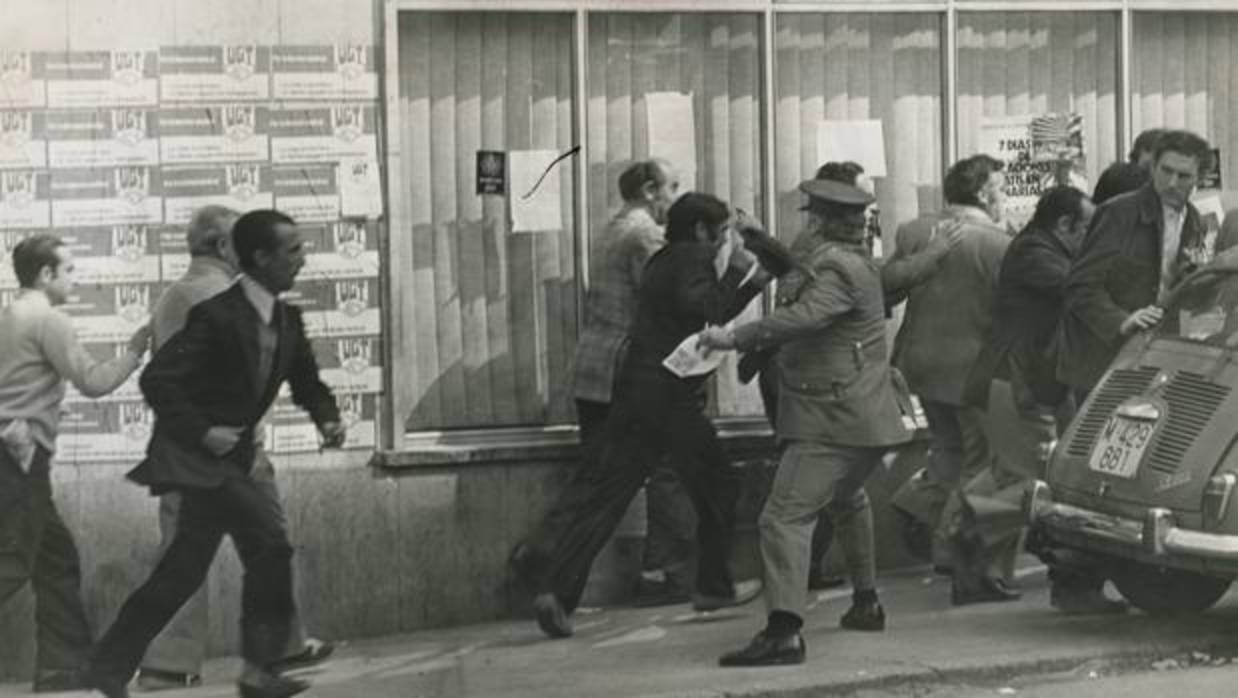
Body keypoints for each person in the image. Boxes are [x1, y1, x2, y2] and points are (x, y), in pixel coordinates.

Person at [86, 210, 346, 698]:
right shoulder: (214, 312)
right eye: (292, 251)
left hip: (233, 463)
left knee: (181, 571)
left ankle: (107, 664)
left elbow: (307, 382)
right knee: (269, 546)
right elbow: (157, 379)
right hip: (199, 461)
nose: (302, 260)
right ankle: (258, 671)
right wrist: (204, 432)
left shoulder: (289, 318)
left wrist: (326, 417)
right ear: (259, 258)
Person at [510, 192, 769, 639]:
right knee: (720, 486)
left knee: (609, 496)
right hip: (671, 397)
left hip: (636, 393)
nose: (724, 240)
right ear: (702, 230)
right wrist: (746, 275)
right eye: (721, 231)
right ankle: (713, 585)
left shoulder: (662, 259)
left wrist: (744, 280)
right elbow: (704, 312)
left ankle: (557, 592)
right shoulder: (692, 258)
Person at [704, 178, 915, 667]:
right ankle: (866, 603)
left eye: (809, 218)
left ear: (818, 221)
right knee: (847, 500)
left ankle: (783, 633)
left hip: (831, 418)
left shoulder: (836, 266)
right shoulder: (851, 261)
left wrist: (733, 337)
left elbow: (807, 316)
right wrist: (758, 240)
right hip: (861, 415)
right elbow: (799, 270)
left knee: (782, 518)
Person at [1052, 129, 1213, 609]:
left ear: (1199, 179)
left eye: (1185, 175)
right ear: (1153, 168)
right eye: (1165, 171)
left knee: (1136, 475)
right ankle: (1073, 584)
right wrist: (1122, 320)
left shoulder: (1196, 222)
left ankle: (1127, 574)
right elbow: (1080, 286)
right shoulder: (1120, 212)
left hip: (1156, 365)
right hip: (1103, 362)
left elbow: (1186, 292)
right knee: (1091, 473)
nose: (1172, 182)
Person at [953, 186, 1118, 613]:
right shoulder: (1034, 253)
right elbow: (1078, 286)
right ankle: (967, 527)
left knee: (1008, 476)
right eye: (1087, 230)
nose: (1090, 240)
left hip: (1014, 378)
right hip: (1015, 381)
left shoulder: (1037, 247)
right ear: (1064, 225)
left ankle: (979, 573)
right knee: (1038, 484)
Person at [0, 235, 150, 693]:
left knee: (55, 559)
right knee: (13, 562)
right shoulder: (49, 320)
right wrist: (135, 349)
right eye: (69, 271)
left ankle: (62, 668)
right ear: (45, 275)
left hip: (13, 451)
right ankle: (62, 666)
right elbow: (94, 382)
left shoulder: (8, 315)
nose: (75, 280)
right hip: (21, 457)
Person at [566, 159, 695, 607]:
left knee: (598, 480)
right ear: (648, 190)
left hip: (594, 369)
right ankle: (666, 573)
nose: (674, 198)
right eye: (671, 186)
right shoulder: (645, 234)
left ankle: (556, 577)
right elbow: (665, 303)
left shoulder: (610, 228)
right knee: (667, 468)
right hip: (627, 371)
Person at [886, 155, 1012, 603]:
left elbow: (893, 284)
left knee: (946, 448)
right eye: (1000, 189)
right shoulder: (999, 243)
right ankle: (956, 547)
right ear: (983, 193)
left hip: (920, 362)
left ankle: (918, 510)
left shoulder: (915, 231)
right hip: (973, 370)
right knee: (983, 463)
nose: (1004, 198)